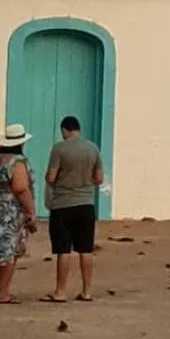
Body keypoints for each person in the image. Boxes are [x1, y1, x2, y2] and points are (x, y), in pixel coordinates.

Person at [42, 115, 104, 303]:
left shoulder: (59, 148)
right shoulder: (93, 148)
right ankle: (87, 290)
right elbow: (99, 178)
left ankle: (60, 291)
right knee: (85, 249)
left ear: (64, 130)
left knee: (63, 249)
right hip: (86, 203)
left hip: (63, 204)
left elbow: (51, 177)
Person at [0, 124, 38, 304]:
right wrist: (31, 211)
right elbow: (20, 188)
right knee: (9, 249)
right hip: (10, 208)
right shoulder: (17, 162)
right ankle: (2, 291)